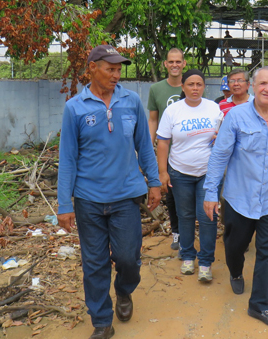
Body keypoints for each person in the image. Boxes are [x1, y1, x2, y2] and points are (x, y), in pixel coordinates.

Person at [57, 45, 161, 339]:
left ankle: (124, 290)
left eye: (119, 70)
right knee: (94, 262)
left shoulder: (131, 101)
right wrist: (64, 203)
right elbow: (68, 159)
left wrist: (154, 182)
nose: (117, 75)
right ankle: (102, 320)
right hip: (88, 199)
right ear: (92, 68)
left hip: (126, 196)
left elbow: (144, 145)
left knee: (128, 258)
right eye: (110, 69)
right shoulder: (75, 108)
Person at [203, 66, 268, 328]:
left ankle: (259, 305)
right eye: (263, 84)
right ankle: (236, 272)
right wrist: (211, 193)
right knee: (235, 247)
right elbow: (219, 156)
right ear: (253, 86)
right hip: (239, 199)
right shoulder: (236, 117)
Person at [156, 69, 221, 282]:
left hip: (208, 174)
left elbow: (223, 136)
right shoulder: (173, 111)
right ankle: (187, 256)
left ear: (204, 87)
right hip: (179, 172)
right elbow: (163, 142)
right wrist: (163, 172)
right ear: (182, 87)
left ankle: (205, 262)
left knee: (207, 217)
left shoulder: (213, 108)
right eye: (190, 84)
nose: (195, 88)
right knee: (185, 216)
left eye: (199, 84)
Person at [148, 48, 186, 252]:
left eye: (178, 62)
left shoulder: (192, 85)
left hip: (188, 152)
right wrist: (147, 147)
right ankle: (177, 234)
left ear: (184, 64)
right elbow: (153, 120)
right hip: (166, 153)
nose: (174, 65)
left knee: (189, 195)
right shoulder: (156, 90)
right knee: (171, 196)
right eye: (171, 61)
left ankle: (187, 234)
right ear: (165, 64)